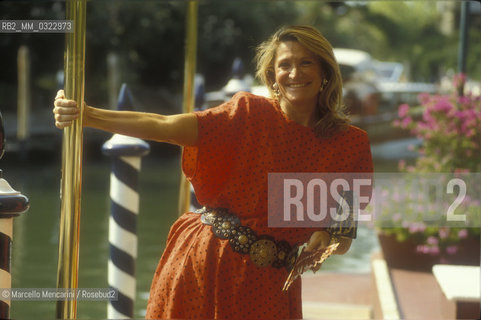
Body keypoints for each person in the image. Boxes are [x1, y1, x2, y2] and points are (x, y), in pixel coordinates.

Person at [53, 25, 373, 319]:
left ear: (325, 72)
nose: (294, 73)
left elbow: (343, 235)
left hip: (274, 283)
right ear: (273, 76)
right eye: (285, 65)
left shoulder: (350, 146)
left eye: (306, 63)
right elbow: (164, 126)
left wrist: (326, 236)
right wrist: (87, 114)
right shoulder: (248, 114)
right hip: (209, 263)